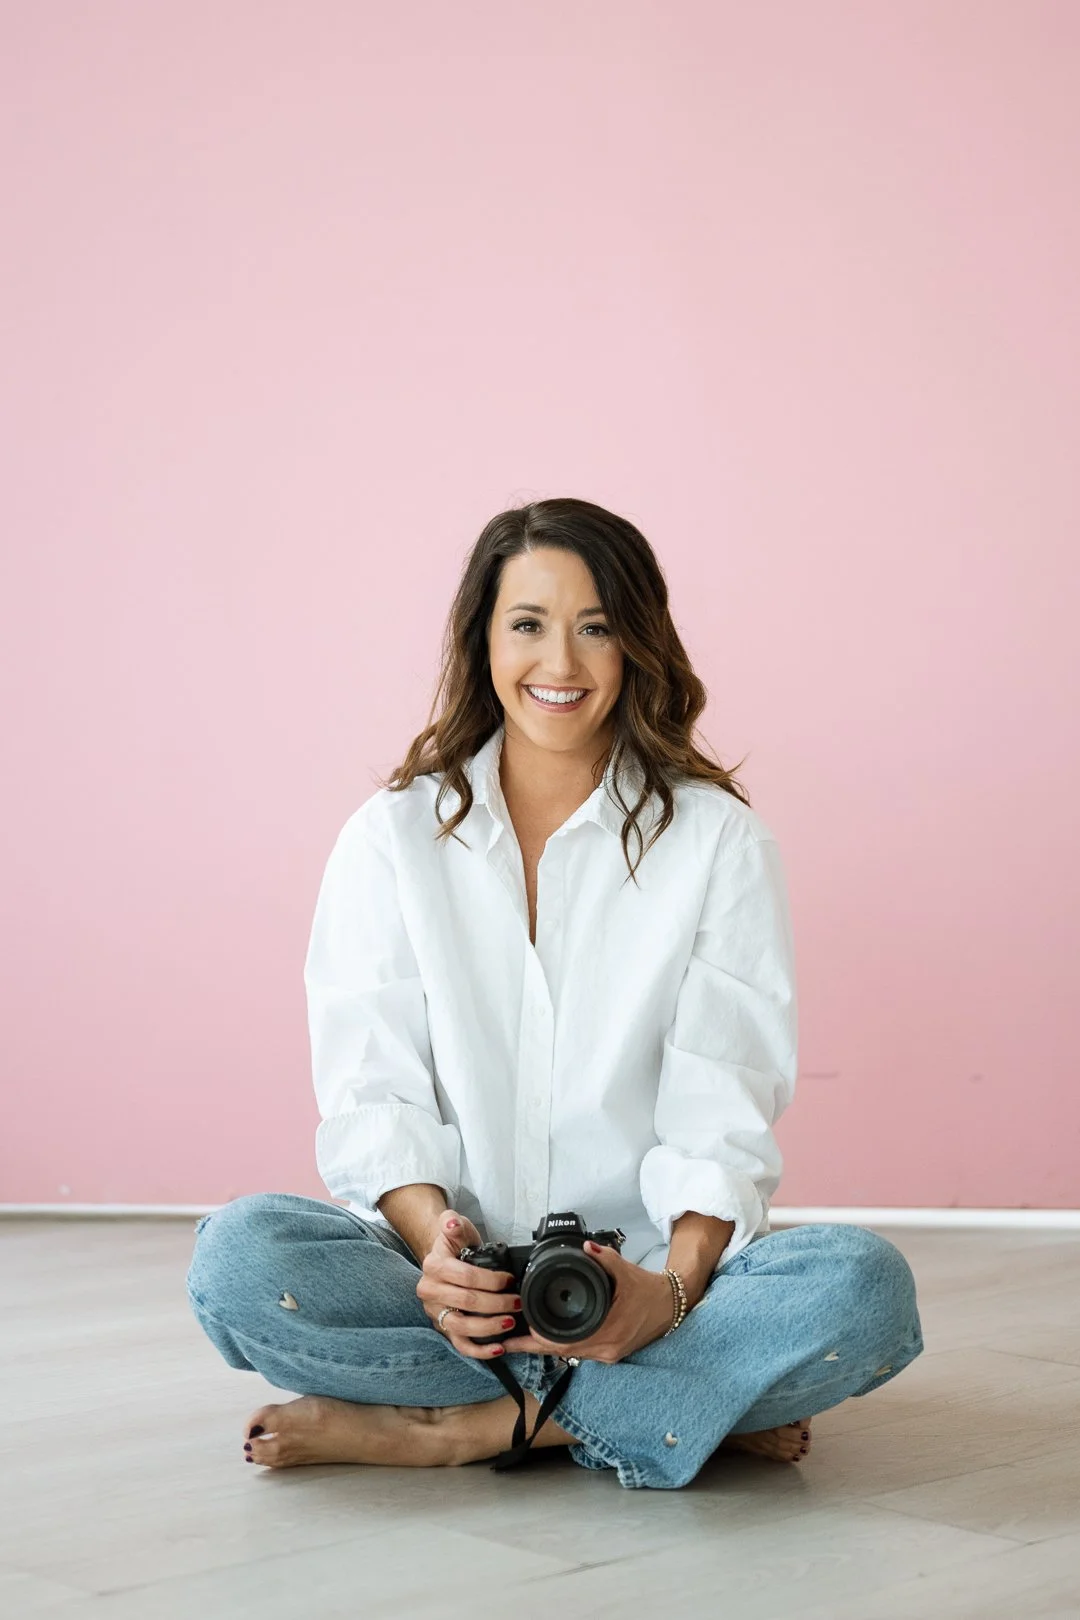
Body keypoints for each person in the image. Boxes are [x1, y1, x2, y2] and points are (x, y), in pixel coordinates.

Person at [186, 496, 923, 1489]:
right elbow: (376, 1097)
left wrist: (663, 1298)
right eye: (528, 624)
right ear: (482, 642)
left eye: (597, 628)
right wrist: (437, 1253)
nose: (561, 664)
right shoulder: (391, 837)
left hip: (648, 1285)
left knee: (861, 1288)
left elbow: (720, 1113)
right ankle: (682, 1408)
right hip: (453, 1294)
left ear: (637, 644)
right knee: (238, 1261)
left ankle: (472, 1428)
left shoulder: (718, 843)